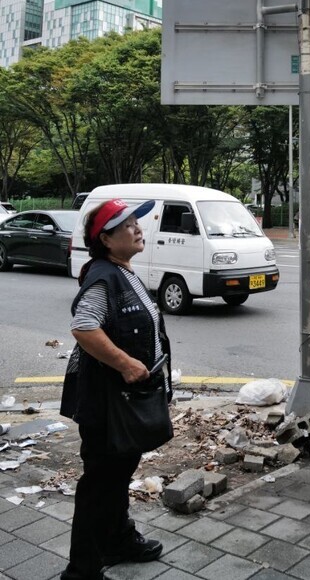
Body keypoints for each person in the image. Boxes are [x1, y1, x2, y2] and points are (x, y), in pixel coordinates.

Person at [60, 198, 171, 580]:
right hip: (107, 404)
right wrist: (125, 363)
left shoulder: (123, 271)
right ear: (105, 239)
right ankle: (82, 571)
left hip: (124, 402)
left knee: (117, 476)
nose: (138, 228)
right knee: (100, 485)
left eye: (137, 222)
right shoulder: (103, 275)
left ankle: (117, 539)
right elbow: (84, 326)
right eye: (127, 225)